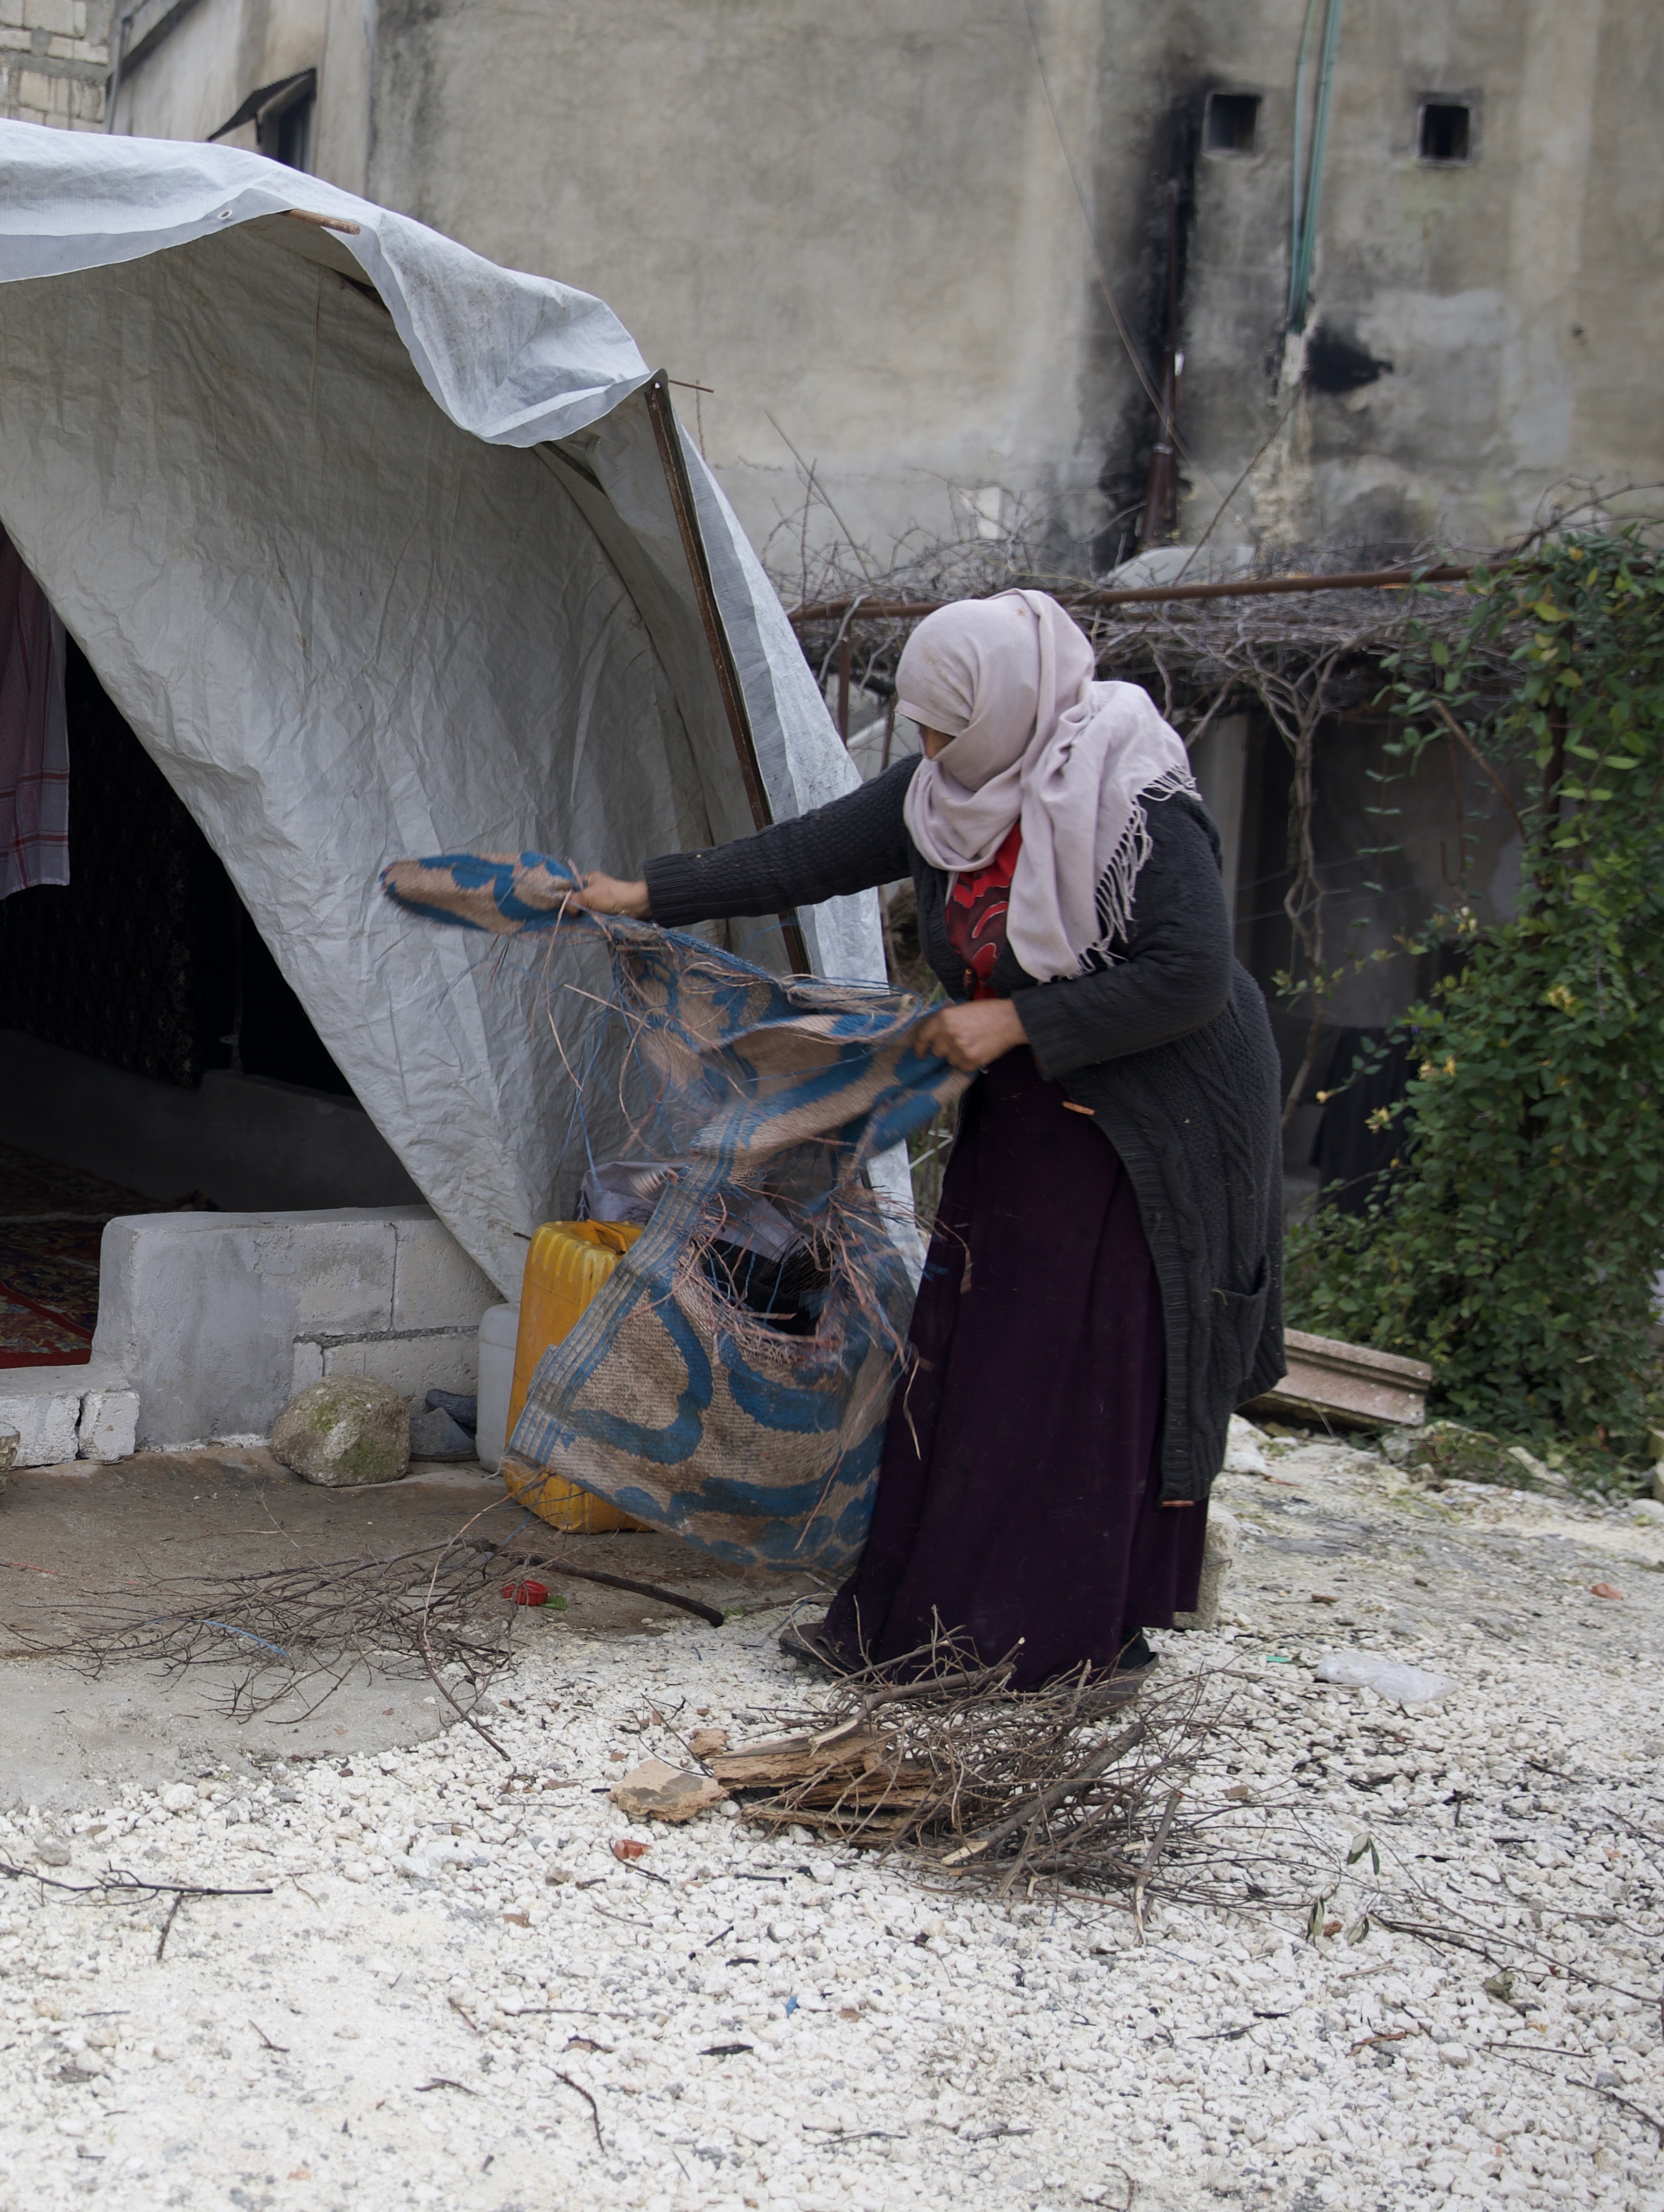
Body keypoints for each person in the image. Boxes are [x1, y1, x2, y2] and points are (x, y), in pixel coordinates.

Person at [535, 589, 1285, 1685]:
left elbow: (1188, 976)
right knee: (973, 1347)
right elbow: (802, 857)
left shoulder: (1130, 794)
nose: (932, 748)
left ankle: (1061, 1641)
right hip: (1031, 1091)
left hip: (1155, 1119)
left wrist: (1017, 1016)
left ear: (1009, 707)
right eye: (926, 728)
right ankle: (922, 1620)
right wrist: (639, 892)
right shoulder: (956, 792)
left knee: (1087, 1367)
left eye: (949, 727)